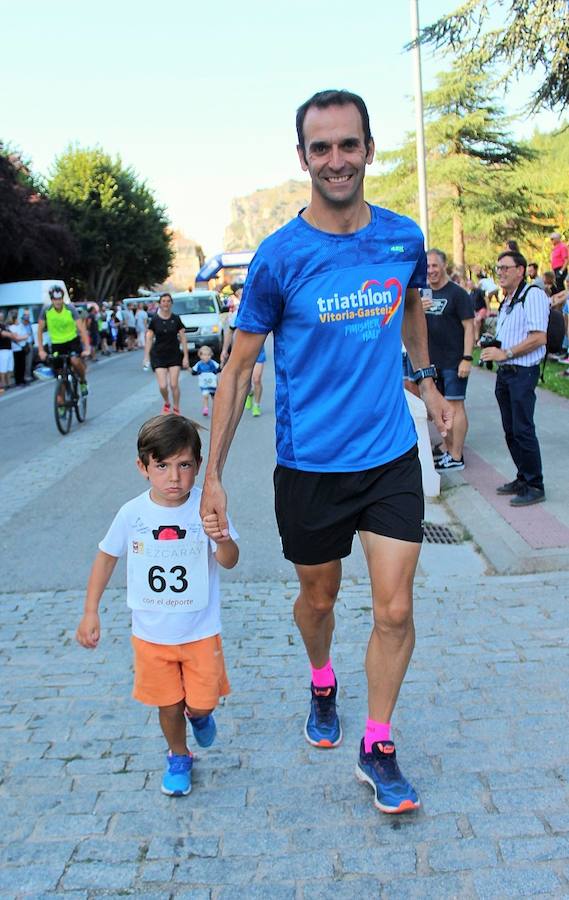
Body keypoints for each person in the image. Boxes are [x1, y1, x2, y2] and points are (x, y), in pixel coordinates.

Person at [200, 89, 452, 815]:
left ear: (369, 149)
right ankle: (320, 679)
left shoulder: (403, 240)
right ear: (303, 158)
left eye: (348, 145)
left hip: (386, 458)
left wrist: (425, 383)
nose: (335, 160)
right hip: (309, 464)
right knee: (319, 597)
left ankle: (376, 745)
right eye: (321, 148)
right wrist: (212, 476)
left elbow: (408, 308)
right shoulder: (279, 259)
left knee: (395, 610)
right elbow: (239, 366)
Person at [76, 415, 239, 797]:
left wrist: (223, 537)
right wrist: (90, 610)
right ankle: (178, 756)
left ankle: (198, 717)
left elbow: (229, 560)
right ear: (143, 467)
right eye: (162, 466)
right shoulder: (132, 513)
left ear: (198, 467)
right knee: (167, 703)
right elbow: (105, 556)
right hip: (151, 635)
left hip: (200, 632)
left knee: (200, 704)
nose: (174, 477)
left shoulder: (207, 507)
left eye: (184, 465)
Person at [480, 250, 549, 506]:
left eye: (506, 268)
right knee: (511, 431)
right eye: (498, 268)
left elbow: (538, 337)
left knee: (523, 429)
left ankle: (535, 484)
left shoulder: (532, 295)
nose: (501, 272)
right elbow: (512, 333)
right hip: (506, 373)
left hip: (522, 372)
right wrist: (493, 344)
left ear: (520, 270)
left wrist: (505, 352)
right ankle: (523, 476)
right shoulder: (509, 298)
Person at [424, 250, 474, 471]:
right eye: (427, 266)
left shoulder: (457, 294)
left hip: (454, 362)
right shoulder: (422, 295)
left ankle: (456, 455)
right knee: (441, 408)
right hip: (433, 364)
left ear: (444, 266)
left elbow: (469, 327)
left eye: (435, 265)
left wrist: (467, 358)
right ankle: (447, 446)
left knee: (455, 406)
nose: (431, 270)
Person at [37, 285, 90, 397]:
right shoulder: (46, 310)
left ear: (63, 298)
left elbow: (82, 329)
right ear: (51, 299)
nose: (58, 302)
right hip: (57, 344)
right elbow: (39, 331)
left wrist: (87, 348)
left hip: (72, 341)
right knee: (59, 373)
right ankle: (61, 401)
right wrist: (41, 350)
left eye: (60, 299)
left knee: (75, 360)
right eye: (55, 299)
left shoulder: (70, 309)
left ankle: (83, 381)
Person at [143, 293, 189, 415]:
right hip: (159, 355)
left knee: (174, 384)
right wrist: (146, 356)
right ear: (160, 303)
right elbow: (149, 338)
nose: (166, 303)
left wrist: (185, 356)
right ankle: (167, 402)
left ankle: (176, 407)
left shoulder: (176, 319)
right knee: (163, 386)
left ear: (171, 303)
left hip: (174, 354)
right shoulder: (154, 320)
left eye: (168, 301)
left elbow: (183, 338)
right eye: (163, 301)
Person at [191, 345, 220, 416]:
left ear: (211, 355)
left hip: (213, 383)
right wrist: (195, 372)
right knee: (205, 395)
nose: (206, 357)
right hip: (204, 383)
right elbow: (193, 371)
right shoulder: (199, 364)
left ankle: (216, 408)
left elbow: (219, 369)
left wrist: (217, 370)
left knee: (214, 397)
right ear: (200, 356)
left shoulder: (213, 363)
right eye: (204, 355)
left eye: (208, 355)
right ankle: (205, 408)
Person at [0, 311, 16, 394]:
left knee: (10, 367)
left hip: (9, 349)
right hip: (2, 350)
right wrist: (12, 335)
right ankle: (3, 384)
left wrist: (12, 335)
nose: (1, 316)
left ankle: (9, 382)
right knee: (3, 368)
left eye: (2, 315)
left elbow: (11, 333)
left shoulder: (5, 326)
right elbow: (4, 334)